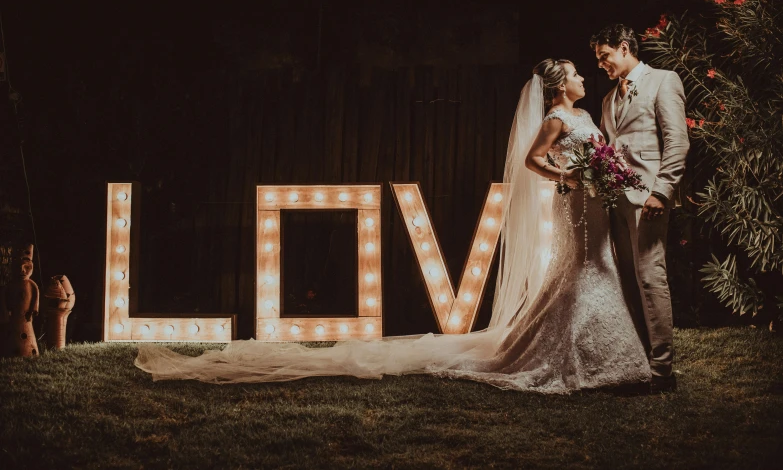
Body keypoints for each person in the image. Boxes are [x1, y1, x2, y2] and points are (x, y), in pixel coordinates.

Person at [134, 59, 651, 394]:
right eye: (576, 73)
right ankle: (574, 354)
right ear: (560, 87)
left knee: (589, 267)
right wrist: (570, 174)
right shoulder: (557, 120)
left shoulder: (588, 118)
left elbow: (599, 157)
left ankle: (594, 351)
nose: (585, 77)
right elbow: (534, 161)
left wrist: (601, 173)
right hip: (573, 204)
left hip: (593, 207)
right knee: (579, 269)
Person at [591, 24, 689, 393]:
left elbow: (677, 141)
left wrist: (661, 192)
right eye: (598, 60)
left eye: (605, 56)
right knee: (629, 279)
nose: (602, 64)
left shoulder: (664, 80)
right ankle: (639, 360)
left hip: (649, 197)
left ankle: (662, 371)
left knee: (651, 275)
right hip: (616, 200)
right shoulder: (607, 99)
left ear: (624, 47)